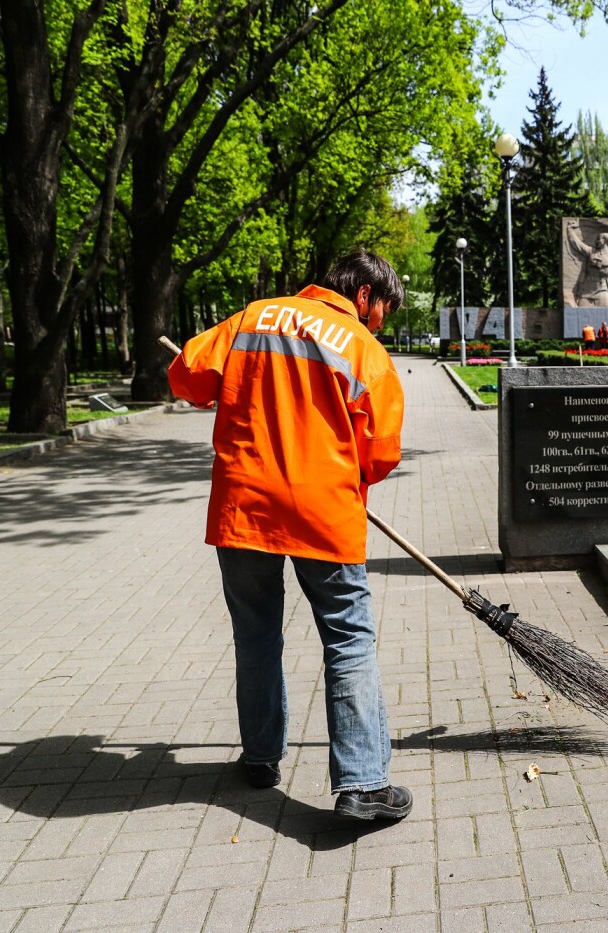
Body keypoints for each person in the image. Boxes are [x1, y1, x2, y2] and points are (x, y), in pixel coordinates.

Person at [167, 248, 411, 822]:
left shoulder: (252, 318)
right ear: (363, 296)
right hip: (322, 513)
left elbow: (184, 378)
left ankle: (259, 757)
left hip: (245, 508)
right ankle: (363, 785)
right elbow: (381, 452)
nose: (375, 326)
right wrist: (351, 473)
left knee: (255, 635)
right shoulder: (361, 348)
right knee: (348, 639)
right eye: (378, 315)